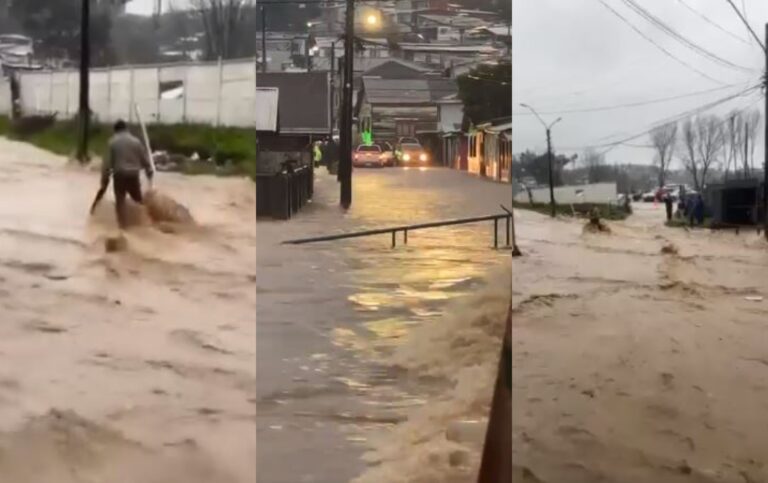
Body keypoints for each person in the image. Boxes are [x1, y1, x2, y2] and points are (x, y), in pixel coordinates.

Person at [90, 120, 154, 228]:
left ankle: (123, 226)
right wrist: (149, 173)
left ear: (115, 130)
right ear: (126, 129)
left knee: (120, 203)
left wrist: (104, 181)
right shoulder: (136, 142)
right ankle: (144, 224)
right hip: (134, 175)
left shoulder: (112, 142)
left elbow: (107, 164)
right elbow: (145, 160)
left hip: (120, 175)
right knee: (138, 200)